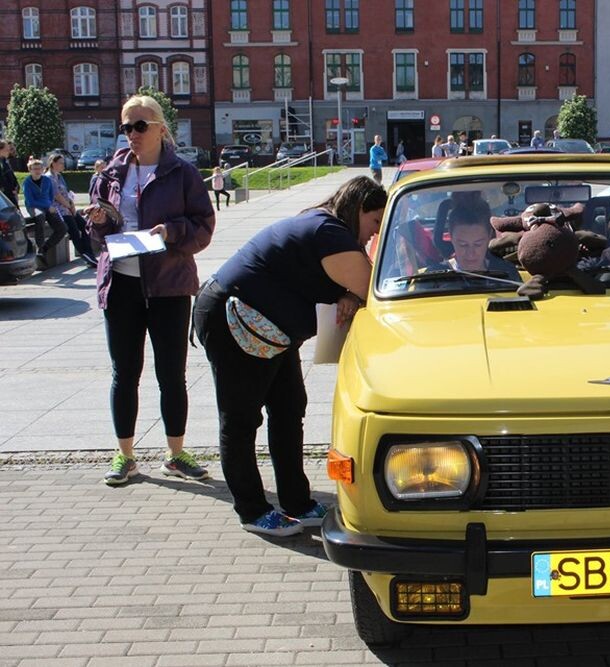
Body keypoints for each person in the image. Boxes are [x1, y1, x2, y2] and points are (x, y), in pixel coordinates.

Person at [192, 176, 387, 537]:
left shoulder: (326, 227)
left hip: (269, 331)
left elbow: (354, 287)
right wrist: (354, 294)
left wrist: (349, 295)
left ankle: (297, 501)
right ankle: (252, 511)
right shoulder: (331, 233)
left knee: (289, 408)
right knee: (240, 419)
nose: (376, 233)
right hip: (234, 319)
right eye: (375, 221)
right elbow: (373, 288)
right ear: (360, 209)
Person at [83, 94, 215, 486]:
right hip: (120, 284)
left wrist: (171, 231)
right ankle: (125, 456)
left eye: (140, 126)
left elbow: (204, 227)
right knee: (124, 373)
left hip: (168, 284)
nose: (132, 134)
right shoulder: (109, 175)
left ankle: (176, 454)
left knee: (171, 374)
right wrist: (98, 222)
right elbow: (98, 237)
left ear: (160, 128)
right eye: (126, 127)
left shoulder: (182, 174)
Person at [45, 153, 97, 267]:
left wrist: (72, 206)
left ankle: (89, 253)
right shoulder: (49, 177)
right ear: (53, 163)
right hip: (60, 210)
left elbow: (66, 193)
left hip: (68, 207)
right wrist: (68, 207)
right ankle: (86, 255)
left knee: (85, 226)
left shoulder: (59, 176)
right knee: (74, 232)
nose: (63, 165)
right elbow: (57, 195)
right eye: (61, 163)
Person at [441, 204, 520, 279]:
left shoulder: (507, 273)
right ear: (451, 237)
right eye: (463, 244)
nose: (470, 253)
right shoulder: (436, 277)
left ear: (489, 237)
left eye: (478, 244)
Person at [22, 157, 68, 271]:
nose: (37, 171)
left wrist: (49, 205)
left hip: (47, 206)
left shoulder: (47, 180)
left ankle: (44, 248)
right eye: (34, 169)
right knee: (40, 216)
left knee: (62, 228)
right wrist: (47, 206)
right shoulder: (27, 182)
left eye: (39, 168)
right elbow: (30, 201)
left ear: (43, 169)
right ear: (30, 170)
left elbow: (51, 195)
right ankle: (39, 246)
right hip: (34, 207)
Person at [0, 140, 19, 206]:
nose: (9, 151)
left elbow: (11, 175)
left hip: (11, 194)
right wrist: (10, 190)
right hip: (4, 196)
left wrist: (16, 187)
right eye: (7, 149)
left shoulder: (4, 161)